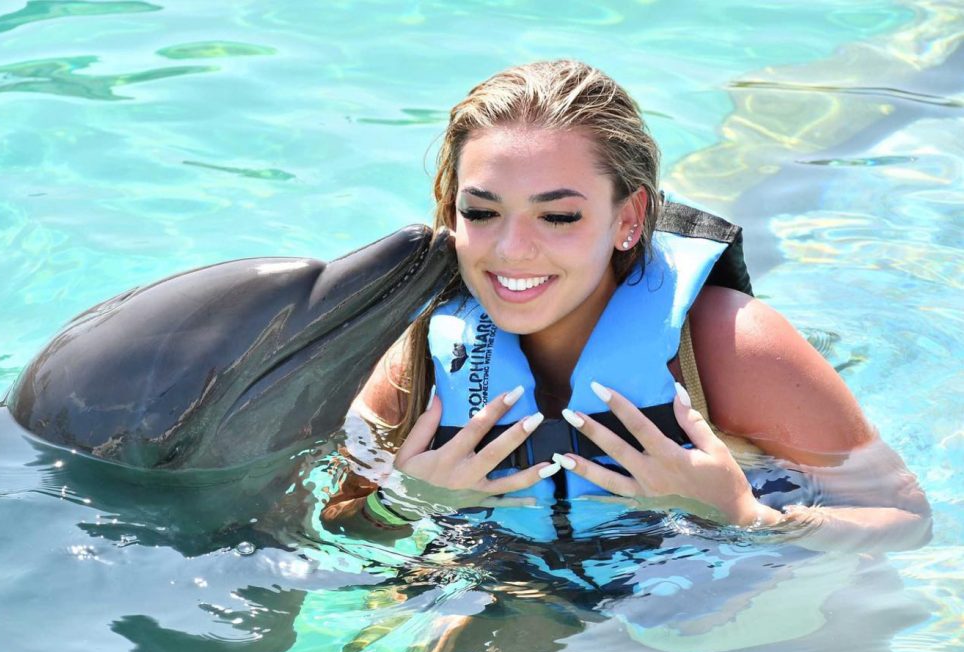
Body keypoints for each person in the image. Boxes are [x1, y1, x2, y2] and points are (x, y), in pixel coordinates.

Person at [322, 59, 929, 551]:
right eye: (481, 212)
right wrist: (403, 503)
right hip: (514, 586)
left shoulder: (731, 347)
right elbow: (335, 522)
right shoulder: (422, 362)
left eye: (559, 216)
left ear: (629, 218)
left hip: (719, 587)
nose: (511, 250)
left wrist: (746, 517)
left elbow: (906, 519)